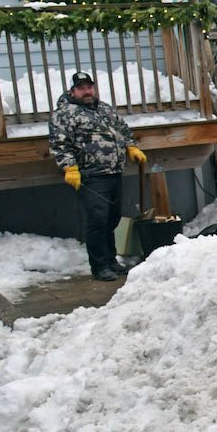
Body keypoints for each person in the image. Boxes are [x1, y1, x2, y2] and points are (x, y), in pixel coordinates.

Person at [48, 71, 147, 282]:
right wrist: (70, 168)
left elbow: (123, 129)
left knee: (112, 218)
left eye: (89, 87)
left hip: (113, 172)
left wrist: (131, 147)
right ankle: (99, 265)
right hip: (91, 176)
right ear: (73, 91)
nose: (87, 91)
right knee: (98, 220)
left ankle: (111, 260)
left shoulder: (104, 109)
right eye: (82, 88)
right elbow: (60, 144)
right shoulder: (64, 114)